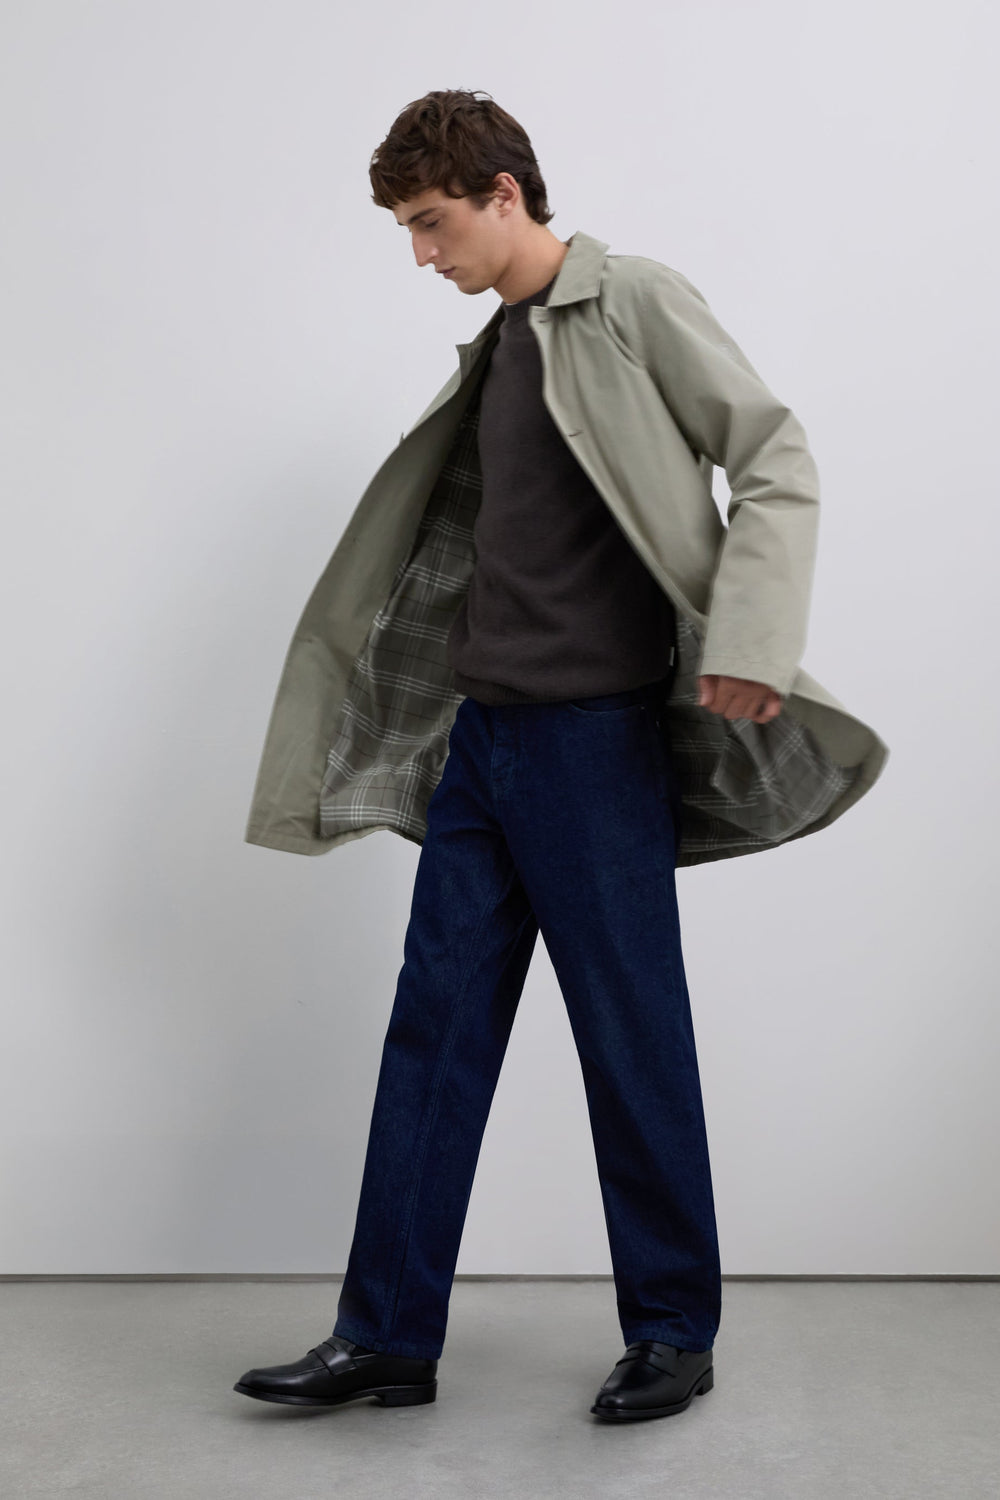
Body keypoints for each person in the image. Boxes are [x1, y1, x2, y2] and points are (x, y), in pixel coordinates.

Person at [233, 89, 888, 1424]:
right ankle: (387, 1335)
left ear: (505, 194)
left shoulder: (630, 301)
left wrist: (753, 638)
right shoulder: (500, 345)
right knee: (434, 1032)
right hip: (482, 741)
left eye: (431, 222)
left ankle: (673, 1331)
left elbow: (775, 455)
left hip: (595, 743)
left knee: (629, 1035)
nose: (423, 254)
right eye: (408, 230)